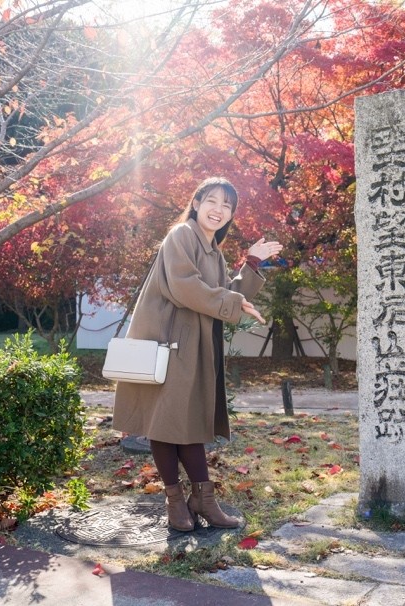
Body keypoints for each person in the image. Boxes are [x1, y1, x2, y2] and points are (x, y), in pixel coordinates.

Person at [112, 177, 282, 532]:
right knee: (165, 425)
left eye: (227, 206)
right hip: (168, 344)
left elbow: (222, 293)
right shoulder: (181, 235)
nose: (218, 210)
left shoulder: (213, 251)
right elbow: (185, 287)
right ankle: (176, 501)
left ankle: (202, 500)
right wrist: (233, 300)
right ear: (196, 202)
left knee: (186, 425)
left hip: (190, 347)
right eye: (212, 201)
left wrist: (252, 263)